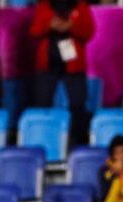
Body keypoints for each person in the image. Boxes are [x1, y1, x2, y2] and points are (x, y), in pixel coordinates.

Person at [29, 0, 94, 146]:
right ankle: (43, 140)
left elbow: (89, 31)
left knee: (77, 105)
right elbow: (34, 31)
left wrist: (72, 26)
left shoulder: (80, 6)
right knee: (42, 105)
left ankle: (78, 141)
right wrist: (49, 25)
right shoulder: (44, 6)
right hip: (47, 65)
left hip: (73, 65)